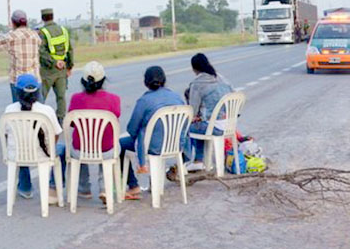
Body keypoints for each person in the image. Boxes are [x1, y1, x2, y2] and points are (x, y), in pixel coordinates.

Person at [49, 61, 121, 204]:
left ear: (83, 80)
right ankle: (105, 188)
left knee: (75, 146)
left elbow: (72, 123)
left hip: (80, 150)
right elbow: (115, 117)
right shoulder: (114, 99)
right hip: (106, 150)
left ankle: (83, 188)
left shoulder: (76, 99)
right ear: (103, 80)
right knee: (108, 145)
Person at [119, 66, 186, 200]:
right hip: (174, 144)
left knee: (119, 144)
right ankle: (153, 183)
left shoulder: (144, 101)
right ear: (164, 80)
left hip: (152, 146)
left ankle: (133, 185)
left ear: (146, 82)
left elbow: (132, 129)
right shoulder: (176, 97)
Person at [2, 74, 63, 199]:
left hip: (16, 154)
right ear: (37, 92)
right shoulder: (46, 110)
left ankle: (25, 188)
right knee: (62, 149)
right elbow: (56, 134)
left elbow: (6, 135)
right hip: (42, 153)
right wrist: (49, 148)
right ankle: (52, 188)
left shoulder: (9, 110)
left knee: (21, 146)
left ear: (17, 92)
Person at [185, 53, 233, 171]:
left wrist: (195, 117)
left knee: (185, 128)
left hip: (214, 127)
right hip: (229, 124)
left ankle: (189, 161)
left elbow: (193, 111)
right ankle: (198, 160)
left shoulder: (197, 84)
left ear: (194, 68)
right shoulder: (221, 78)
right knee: (199, 124)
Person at [0, 10, 42, 102]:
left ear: (13, 22)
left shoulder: (11, 37)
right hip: (35, 79)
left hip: (17, 81)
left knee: (18, 110)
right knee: (38, 109)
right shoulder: (35, 36)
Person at [39, 8, 73, 123]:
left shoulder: (42, 32)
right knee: (61, 96)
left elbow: (41, 52)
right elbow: (70, 49)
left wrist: (53, 62)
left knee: (41, 97)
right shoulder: (63, 30)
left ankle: (39, 120)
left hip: (48, 70)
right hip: (62, 68)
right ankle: (61, 120)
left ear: (43, 18)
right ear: (53, 16)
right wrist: (69, 66)